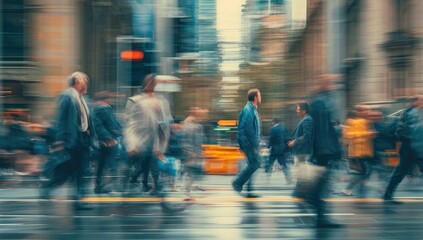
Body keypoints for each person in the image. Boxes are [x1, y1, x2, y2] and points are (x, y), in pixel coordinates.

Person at [40, 71, 94, 210]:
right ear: (76, 83)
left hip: (82, 140)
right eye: (84, 82)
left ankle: (77, 200)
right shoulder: (67, 96)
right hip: (71, 140)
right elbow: (62, 120)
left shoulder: (82, 99)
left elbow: (82, 118)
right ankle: (49, 187)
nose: (86, 84)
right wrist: (60, 140)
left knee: (81, 171)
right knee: (68, 170)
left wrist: (86, 130)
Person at [123, 74, 173, 194]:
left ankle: (152, 186)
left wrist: (161, 145)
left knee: (152, 165)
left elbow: (164, 123)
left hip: (154, 141)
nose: (155, 86)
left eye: (155, 83)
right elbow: (130, 124)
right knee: (140, 165)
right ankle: (131, 185)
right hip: (140, 141)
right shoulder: (136, 101)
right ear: (147, 84)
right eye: (153, 83)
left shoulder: (160, 102)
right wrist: (132, 144)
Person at [308, 74, 343, 227]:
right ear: (324, 84)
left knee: (322, 182)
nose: (333, 85)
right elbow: (323, 129)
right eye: (330, 83)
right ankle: (320, 214)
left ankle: (320, 215)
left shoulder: (323, 101)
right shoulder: (321, 103)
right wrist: (328, 149)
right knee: (322, 183)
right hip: (323, 150)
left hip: (323, 149)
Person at [384, 95, 423, 204]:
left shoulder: (415, 113)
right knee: (400, 172)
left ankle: (387, 195)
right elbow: (417, 131)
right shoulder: (412, 113)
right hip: (410, 148)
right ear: (416, 102)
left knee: (400, 172)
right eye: (421, 101)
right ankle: (387, 195)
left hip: (415, 147)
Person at [232, 89, 262, 198]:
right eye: (259, 96)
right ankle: (237, 183)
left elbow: (254, 130)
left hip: (251, 143)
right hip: (248, 144)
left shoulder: (252, 109)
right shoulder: (248, 110)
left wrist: (257, 143)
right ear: (255, 98)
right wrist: (250, 144)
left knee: (253, 164)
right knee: (255, 163)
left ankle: (249, 190)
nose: (260, 98)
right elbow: (245, 129)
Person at [91, 91, 122, 194]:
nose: (112, 101)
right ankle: (111, 185)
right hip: (108, 141)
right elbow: (108, 124)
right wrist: (109, 137)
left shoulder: (97, 109)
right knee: (110, 163)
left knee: (102, 163)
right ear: (106, 99)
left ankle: (99, 185)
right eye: (110, 99)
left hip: (103, 141)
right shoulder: (103, 109)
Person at [266, 117, 292, 184]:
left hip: (274, 150)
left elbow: (271, 139)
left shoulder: (273, 129)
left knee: (270, 164)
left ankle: (267, 180)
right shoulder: (284, 128)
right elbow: (287, 137)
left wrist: (268, 147)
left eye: (272, 122)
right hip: (282, 150)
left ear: (274, 122)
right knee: (283, 164)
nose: (272, 123)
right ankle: (288, 179)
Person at [288, 102, 314, 167]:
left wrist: (295, 142)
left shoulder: (307, 120)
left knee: (300, 173)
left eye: (298, 109)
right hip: (301, 152)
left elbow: (306, 136)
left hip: (302, 152)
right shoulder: (305, 119)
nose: (297, 111)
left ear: (304, 111)